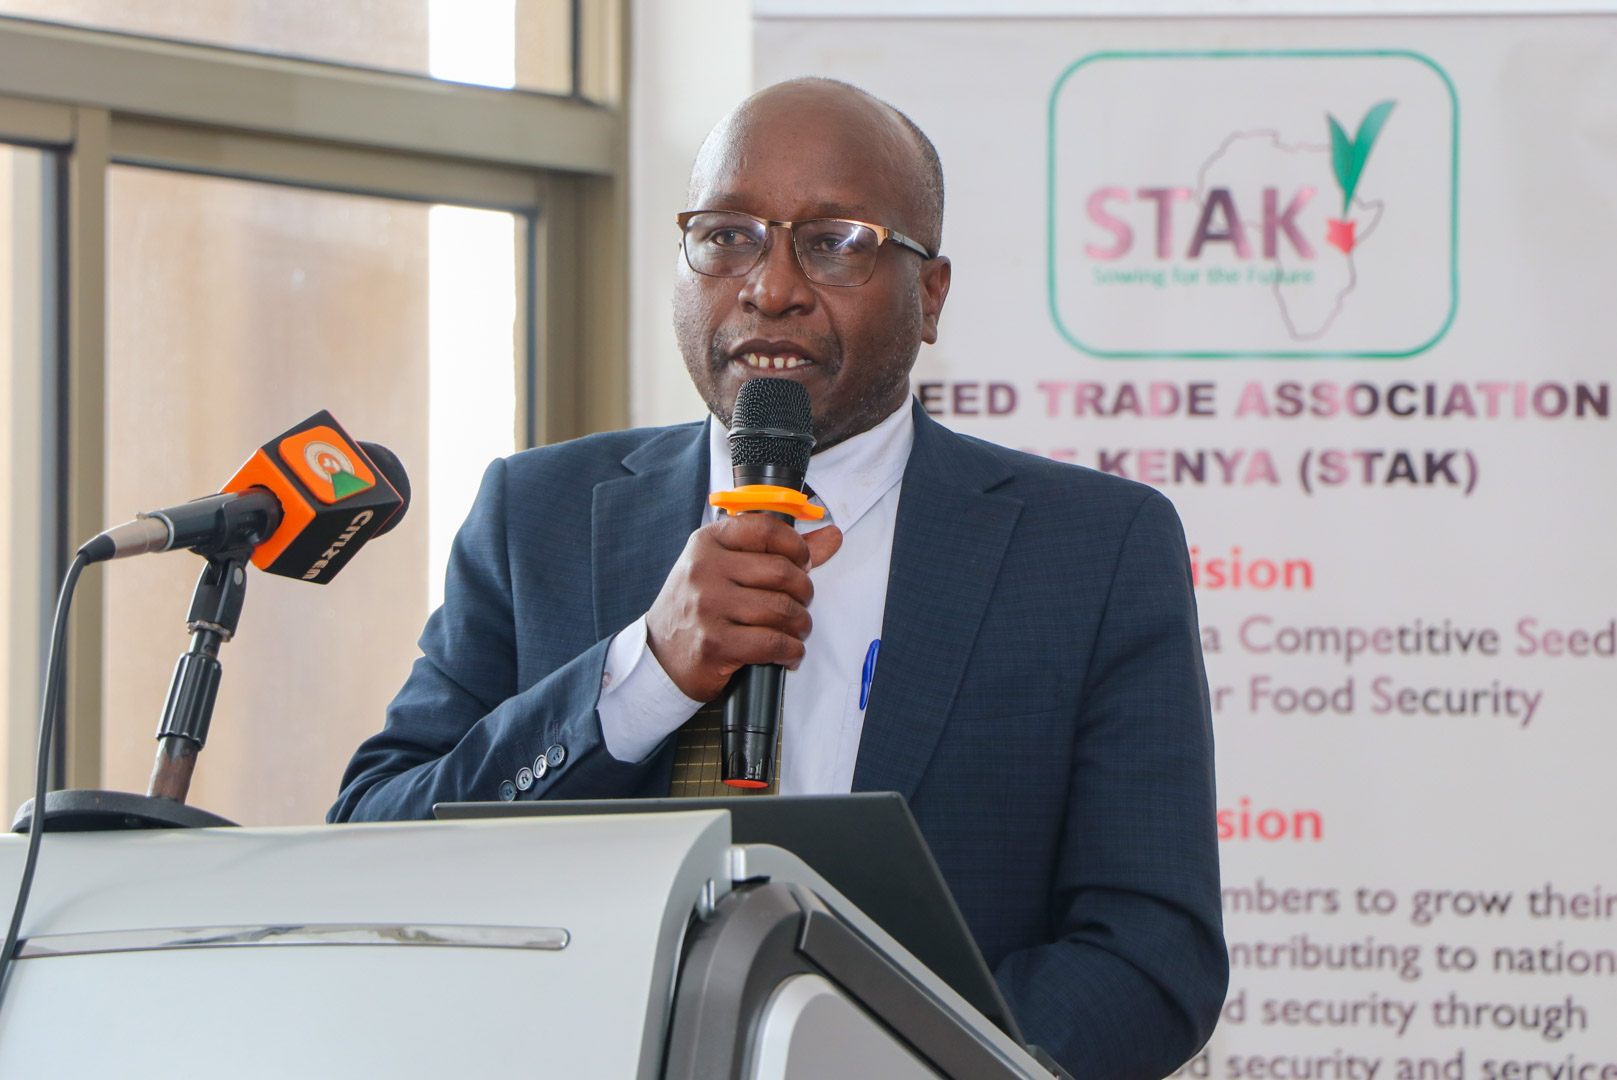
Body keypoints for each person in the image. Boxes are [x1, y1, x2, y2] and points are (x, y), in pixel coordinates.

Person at [331, 78, 1226, 1079]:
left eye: (836, 240)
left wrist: (864, 1063)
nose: (772, 286)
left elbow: (1151, 959)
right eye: (728, 235)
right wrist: (645, 675)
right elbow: (376, 846)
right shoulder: (536, 514)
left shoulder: (1091, 551)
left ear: (929, 296)